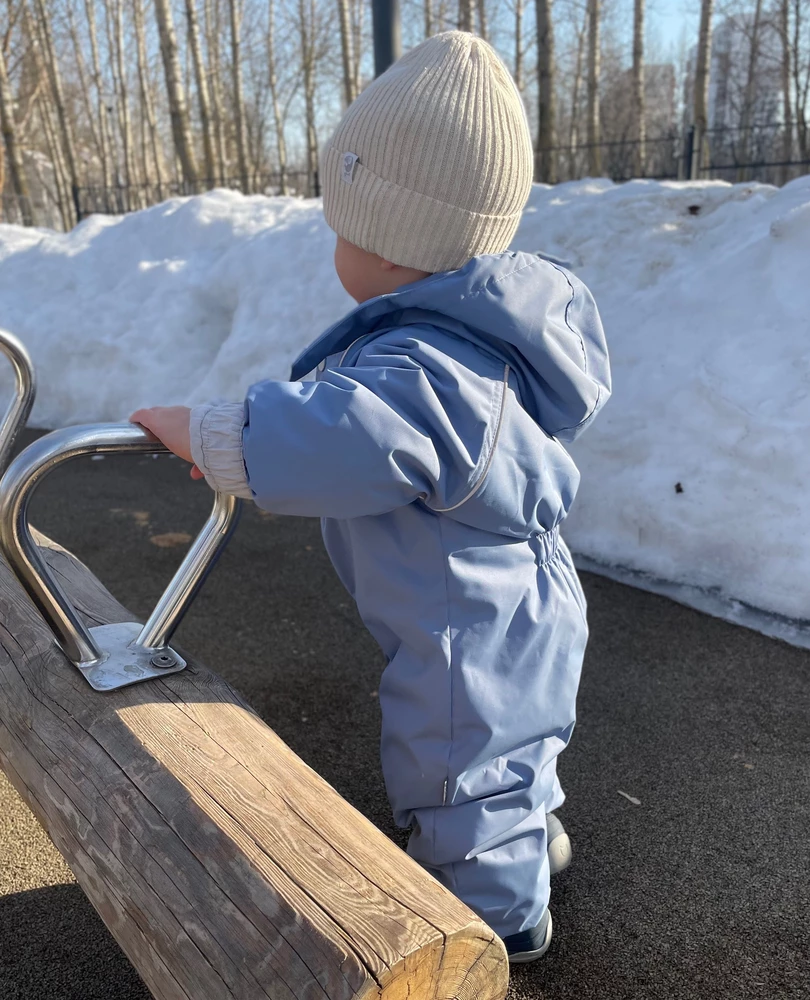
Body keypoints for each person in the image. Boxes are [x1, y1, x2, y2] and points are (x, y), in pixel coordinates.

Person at [131, 30, 610, 964]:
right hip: (512, 594)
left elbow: (347, 439)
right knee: (512, 744)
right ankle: (532, 839)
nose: (336, 248)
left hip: (465, 619)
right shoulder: (470, 339)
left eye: (344, 228)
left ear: (396, 243)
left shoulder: (422, 366)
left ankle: (498, 922)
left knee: (458, 763)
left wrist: (215, 434)